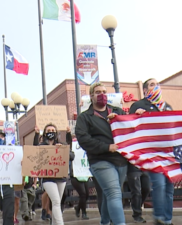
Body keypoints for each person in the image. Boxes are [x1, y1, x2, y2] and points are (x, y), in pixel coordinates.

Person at [76, 82, 128, 225]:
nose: (102, 94)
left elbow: (130, 127)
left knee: (108, 195)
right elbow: (84, 140)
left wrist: (138, 115)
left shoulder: (118, 112)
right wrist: (106, 147)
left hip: (120, 161)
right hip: (100, 161)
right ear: (91, 96)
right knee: (114, 193)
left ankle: (104, 222)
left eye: (104, 91)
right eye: (98, 92)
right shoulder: (85, 117)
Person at [129, 78, 174, 225]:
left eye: (157, 84)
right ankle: (159, 217)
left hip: (168, 153)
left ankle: (167, 219)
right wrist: (136, 116)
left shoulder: (167, 106)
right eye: (152, 84)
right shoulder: (138, 105)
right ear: (145, 90)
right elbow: (130, 127)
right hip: (150, 153)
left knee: (169, 187)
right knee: (158, 184)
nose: (156, 86)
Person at [37, 123, 73, 225]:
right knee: (56, 201)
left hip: (61, 177)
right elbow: (33, 154)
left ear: (56, 133)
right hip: (47, 178)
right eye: (48, 131)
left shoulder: (62, 144)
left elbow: (72, 156)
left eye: (52, 131)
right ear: (44, 134)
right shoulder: (41, 146)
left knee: (57, 202)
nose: (51, 133)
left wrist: (63, 150)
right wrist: (36, 135)